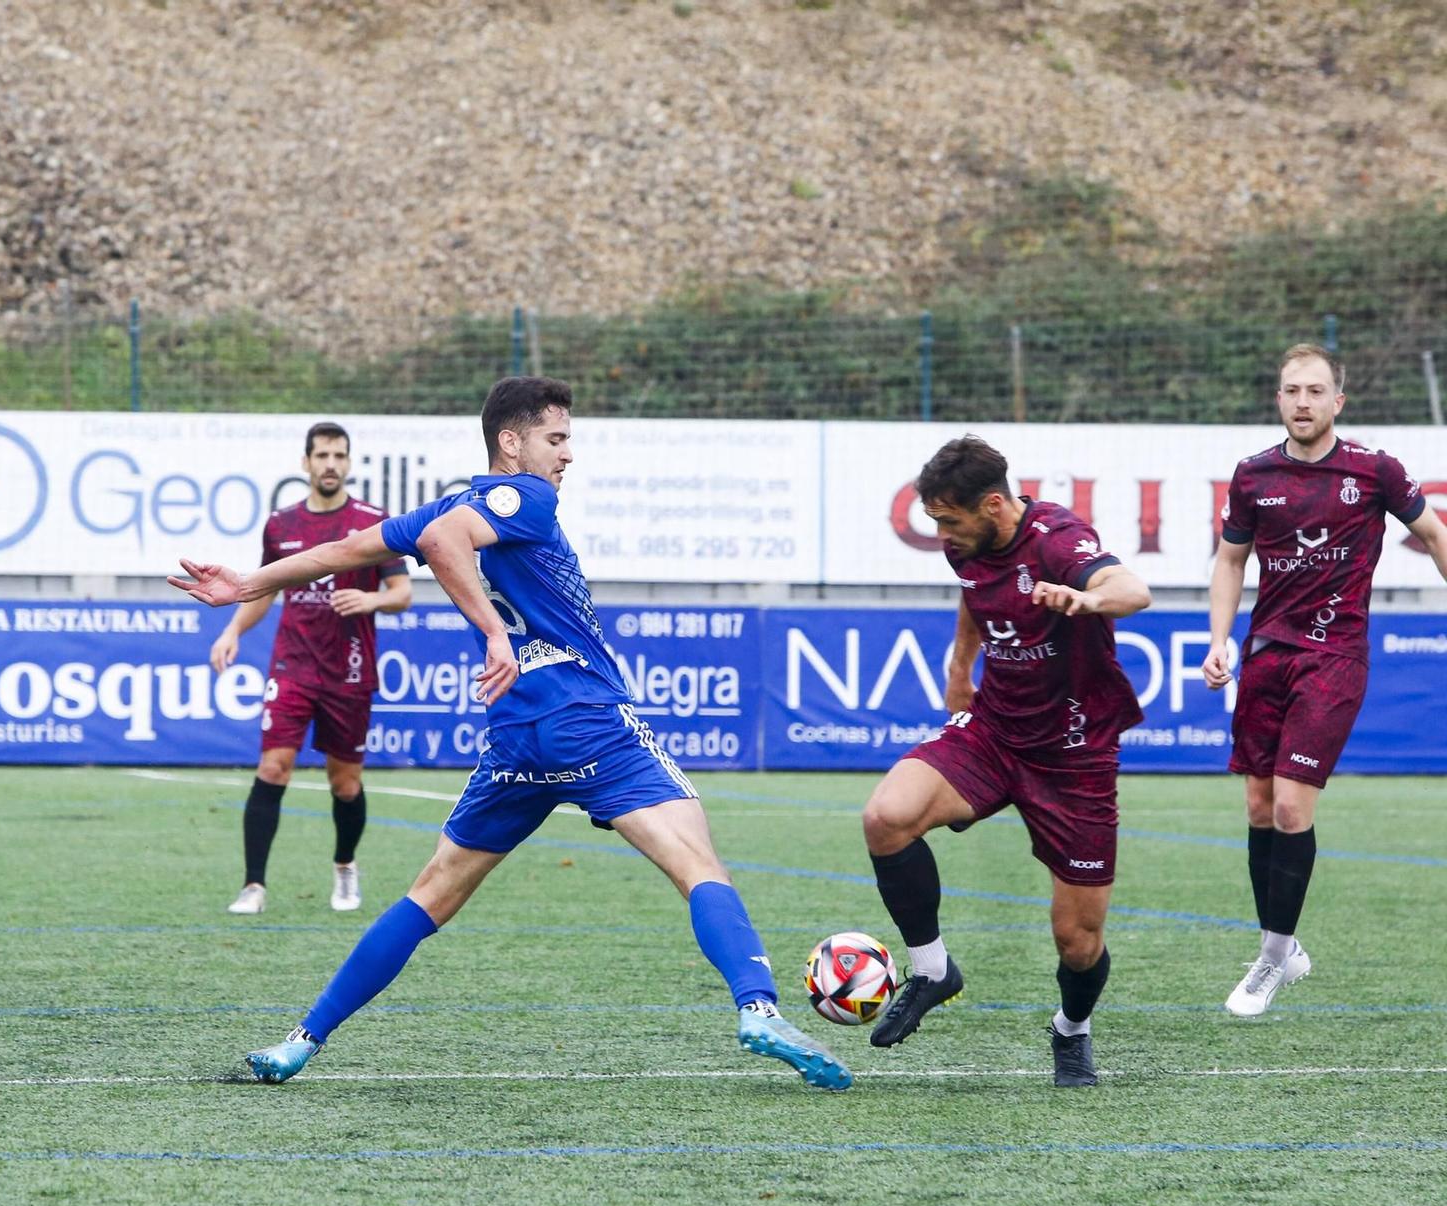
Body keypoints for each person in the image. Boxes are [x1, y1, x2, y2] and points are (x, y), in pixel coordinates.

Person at [172, 376, 852, 1091]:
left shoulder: (448, 503)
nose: (566, 456)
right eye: (556, 439)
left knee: (429, 893)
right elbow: (441, 539)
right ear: (512, 441)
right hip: (586, 720)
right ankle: (757, 1006)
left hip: (517, 741)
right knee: (699, 865)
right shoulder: (526, 496)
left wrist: (249, 584)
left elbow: (348, 548)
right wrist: (495, 630)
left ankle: (302, 1038)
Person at [858, 437, 1152, 1086]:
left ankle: (1071, 1029)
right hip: (993, 731)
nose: (941, 534)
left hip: (1074, 755)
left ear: (993, 505)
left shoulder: (1056, 540)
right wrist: (961, 666)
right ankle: (933, 968)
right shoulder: (968, 545)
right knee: (886, 816)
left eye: (948, 520)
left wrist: (1090, 598)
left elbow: (1133, 588)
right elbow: (975, 594)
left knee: (1078, 941)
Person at [1202, 344, 1447, 1016]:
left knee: (1289, 807)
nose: (1302, 401)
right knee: (1257, 805)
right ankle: (1284, 944)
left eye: (1315, 390)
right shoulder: (1253, 475)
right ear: (1278, 399)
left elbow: (1431, 531)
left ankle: (1271, 959)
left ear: (1338, 401)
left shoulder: (1374, 470)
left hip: (1334, 656)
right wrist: (1219, 639)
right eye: (1291, 390)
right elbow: (1230, 561)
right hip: (1267, 653)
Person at [208, 422, 412, 915]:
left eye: (339, 456)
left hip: (350, 670)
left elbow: (402, 594)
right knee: (273, 767)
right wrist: (232, 630)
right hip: (293, 666)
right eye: (322, 455)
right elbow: (262, 588)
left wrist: (369, 599)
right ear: (306, 463)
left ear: (348, 463)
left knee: (344, 783)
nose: (330, 464)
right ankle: (253, 885)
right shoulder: (281, 525)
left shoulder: (371, 521)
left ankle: (345, 866)